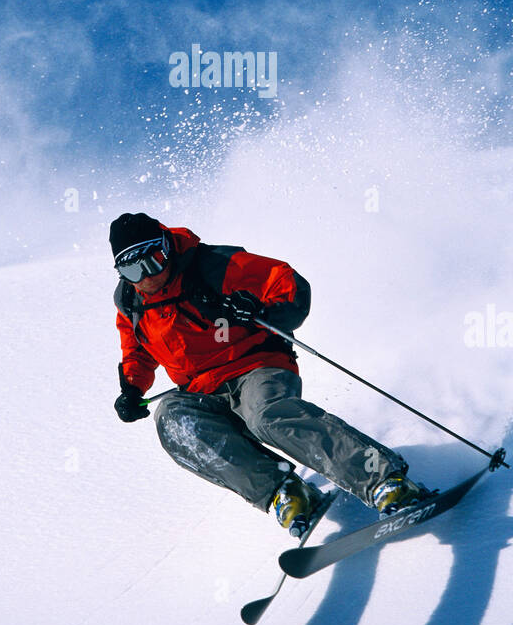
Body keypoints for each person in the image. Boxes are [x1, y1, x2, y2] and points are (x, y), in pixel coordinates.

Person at [110, 212, 431, 535]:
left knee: (266, 417)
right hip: (202, 390)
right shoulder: (130, 301)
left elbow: (287, 283)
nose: (147, 276)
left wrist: (262, 311)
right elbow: (135, 351)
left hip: (256, 364)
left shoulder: (213, 265)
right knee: (173, 420)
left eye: (154, 260)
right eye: (131, 269)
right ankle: (286, 491)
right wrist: (133, 389)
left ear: (166, 246)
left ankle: (383, 480)